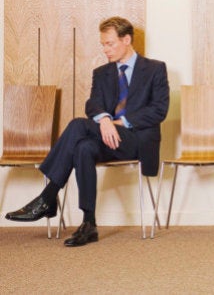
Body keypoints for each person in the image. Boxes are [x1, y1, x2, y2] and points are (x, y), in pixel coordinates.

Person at [5, 16, 170, 247]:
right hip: (105, 138)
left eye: (109, 43)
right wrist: (103, 120)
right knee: (83, 147)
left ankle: (48, 196)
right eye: (102, 44)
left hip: (136, 140)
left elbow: (159, 110)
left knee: (77, 125)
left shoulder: (154, 69)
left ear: (126, 39)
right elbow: (93, 104)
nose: (105, 49)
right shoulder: (102, 72)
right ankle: (89, 224)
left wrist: (118, 122)